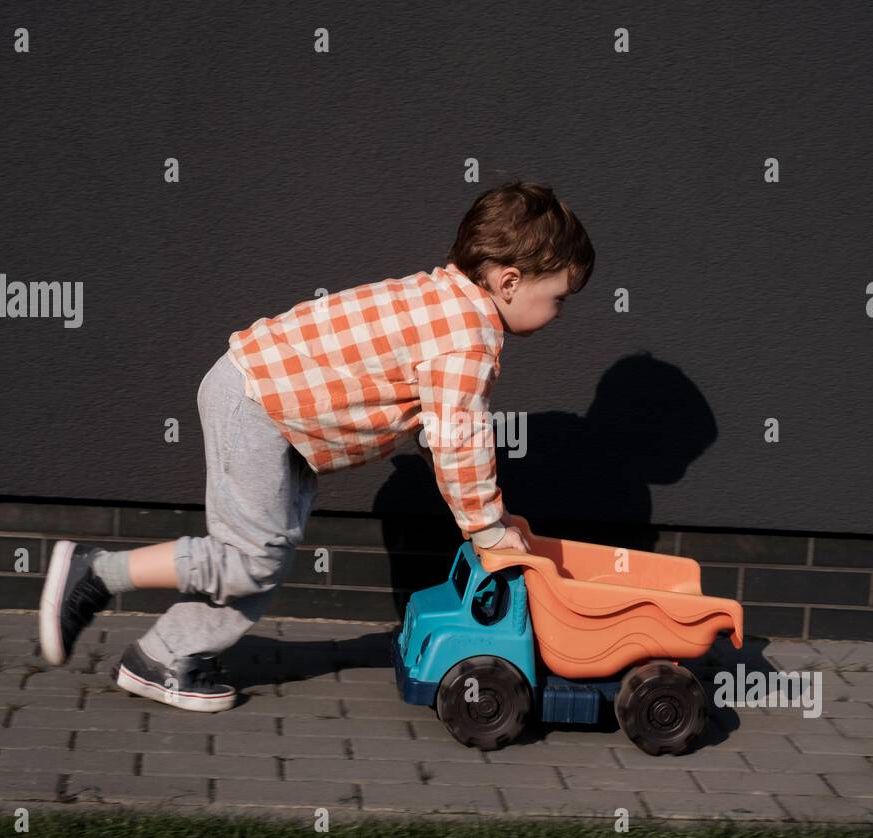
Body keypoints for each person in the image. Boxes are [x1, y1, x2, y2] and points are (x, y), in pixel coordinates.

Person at [37, 179, 594, 712]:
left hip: (277, 408)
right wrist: (487, 527)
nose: (560, 314)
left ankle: (161, 659)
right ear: (511, 281)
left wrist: (489, 515)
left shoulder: (444, 300)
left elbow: (437, 433)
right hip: (258, 403)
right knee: (248, 559)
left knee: (262, 560)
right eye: (558, 298)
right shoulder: (468, 337)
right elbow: (457, 439)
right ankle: (97, 571)